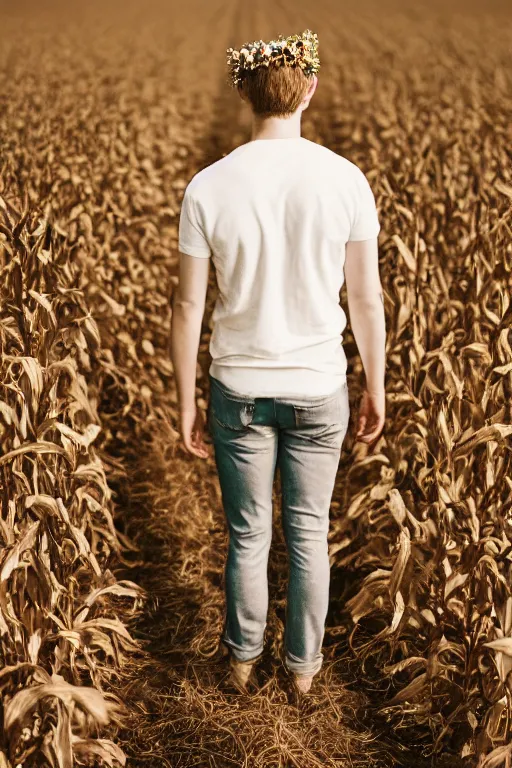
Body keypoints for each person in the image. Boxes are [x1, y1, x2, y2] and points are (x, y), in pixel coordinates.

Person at [170, 29, 386, 696]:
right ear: (310, 90)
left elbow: (186, 306)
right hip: (320, 386)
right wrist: (375, 384)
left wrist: (185, 404)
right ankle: (302, 672)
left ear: (244, 94)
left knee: (248, 534)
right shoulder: (346, 179)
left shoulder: (208, 186)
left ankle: (240, 662)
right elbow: (367, 299)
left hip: (237, 383)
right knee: (310, 532)